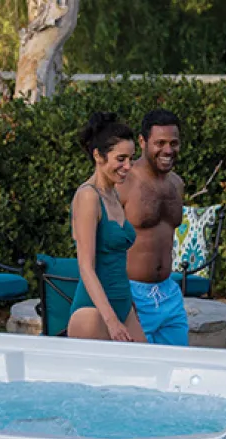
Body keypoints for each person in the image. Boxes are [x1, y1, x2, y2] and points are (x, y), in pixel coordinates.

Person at [68, 112, 146, 342]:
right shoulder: (88, 197)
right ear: (98, 156)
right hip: (94, 312)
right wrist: (111, 321)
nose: (128, 166)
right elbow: (86, 266)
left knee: (150, 372)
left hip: (123, 305)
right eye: (120, 159)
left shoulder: (113, 193)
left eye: (131, 159)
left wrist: (128, 309)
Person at [119, 109, 189, 346]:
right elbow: (100, 244)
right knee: (138, 376)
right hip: (132, 295)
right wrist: (120, 300)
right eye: (160, 143)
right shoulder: (123, 182)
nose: (168, 150)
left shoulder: (177, 184)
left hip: (168, 293)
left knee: (178, 371)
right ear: (142, 141)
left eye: (174, 143)